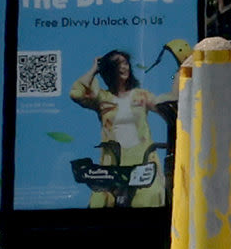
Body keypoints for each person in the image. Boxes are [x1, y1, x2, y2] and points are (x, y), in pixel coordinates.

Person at [67, 49, 173, 207]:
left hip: (142, 161)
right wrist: (94, 70)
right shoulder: (102, 98)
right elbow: (76, 94)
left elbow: (165, 106)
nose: (124, 68)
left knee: (150, 199)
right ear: (110, 70)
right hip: (112, 164)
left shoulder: (141, 95)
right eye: (118, 64)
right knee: (98, 202)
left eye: (125, 63)